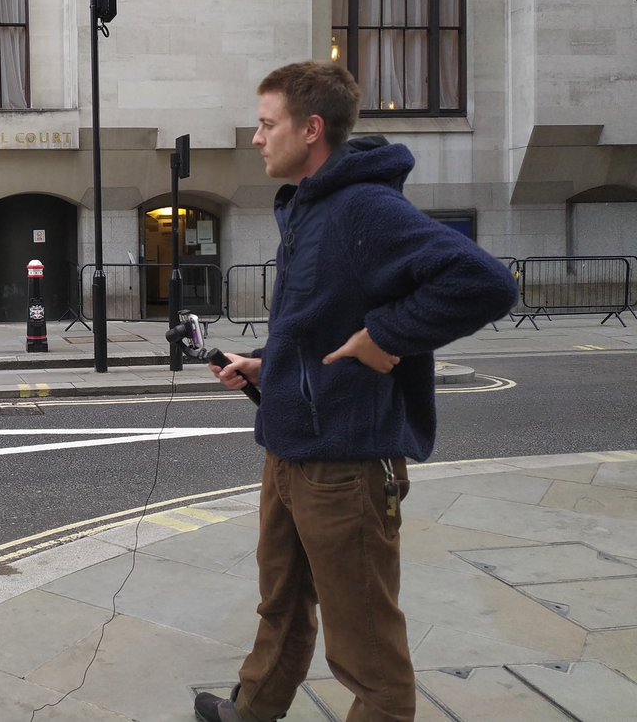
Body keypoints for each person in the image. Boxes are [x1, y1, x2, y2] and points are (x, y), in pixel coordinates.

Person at [194, 62, 517, 722]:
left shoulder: (363, 208)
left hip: (345, 465)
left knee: (367, 651)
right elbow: (317, 321)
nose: (257, 138)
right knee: (280, 608)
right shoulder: (310, 210)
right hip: (290, 450)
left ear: (311, 130)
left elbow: (485, 282)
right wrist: (263, 364)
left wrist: (388, 336)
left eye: (266, 124)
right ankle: (251, 712)